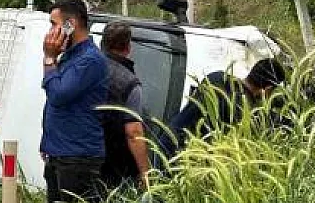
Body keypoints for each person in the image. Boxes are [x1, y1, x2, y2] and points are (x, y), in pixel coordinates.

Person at [39, 0, 108, 203]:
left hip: (78, 154)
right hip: (59, 150)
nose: (50, 32)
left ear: (71, 24)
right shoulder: (71, 57)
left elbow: (59, 94)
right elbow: (55, 106)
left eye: (54, 24)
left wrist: (48, 59)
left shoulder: (90, 60)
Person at [156, 58, 287, 164]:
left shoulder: (216, 77)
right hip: (181, 161)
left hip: (165, 143)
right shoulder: (243, 110)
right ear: (268, 89)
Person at [98, 21, 150, 190]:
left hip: (83, 157)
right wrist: (145, 174)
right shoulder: (130, 83)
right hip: (115, 169)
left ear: (102, 44)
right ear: (128, 48)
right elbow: (134, 133)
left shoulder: (85, 68)